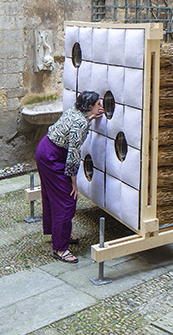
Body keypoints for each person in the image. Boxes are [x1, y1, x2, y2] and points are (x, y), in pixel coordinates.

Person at [35, 91, 104, 262]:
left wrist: (91, 117)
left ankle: (58, 234)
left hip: (45, 150)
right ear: (89, 106)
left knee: (52, 196)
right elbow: (74, 154)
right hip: (52, 157)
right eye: (98, 105)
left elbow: (77, 125)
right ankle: (60, 249)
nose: (101, 107)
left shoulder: (77, 112)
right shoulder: (81, 122)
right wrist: (74, 182)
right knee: (66, 200)